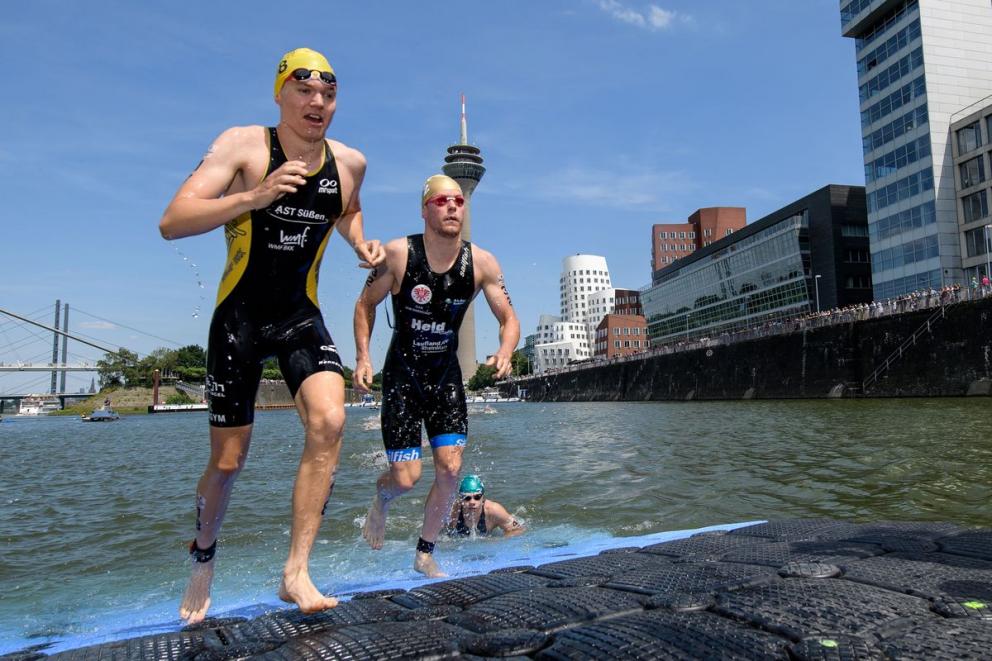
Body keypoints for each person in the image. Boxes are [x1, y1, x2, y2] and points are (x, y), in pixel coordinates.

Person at [158, 47, 385, 624]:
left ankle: (296, 571)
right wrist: (252, 197)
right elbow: (173, 220)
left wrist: (362, 243)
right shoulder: (244, 145)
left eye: (328, 94)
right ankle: (204, 553)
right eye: (304, 91)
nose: (317, 103)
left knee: (330, 420)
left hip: (299, 314)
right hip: (239, 317)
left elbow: (347, 209)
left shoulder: (351, 162)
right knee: (229, 462)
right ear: (280, 93)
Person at [353, 174, 520, 577]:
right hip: (403, 376)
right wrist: (362, 357)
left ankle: (424, 553)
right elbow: (364, 304)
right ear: (425, 209)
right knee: (407, 478)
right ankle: (382, 499)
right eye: (442, 201)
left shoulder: (481, 262)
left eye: (458, 201)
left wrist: (505, 350)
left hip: (445, 376)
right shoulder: (398, 254)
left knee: (449, 469)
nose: (452, 207)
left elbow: (508, 317)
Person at [446, 474, 524, 538]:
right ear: (461, 498)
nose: (472, 502)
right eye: (467, 498)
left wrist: (499, 541)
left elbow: (517, 529)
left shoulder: (494, 510)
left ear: (482, 497)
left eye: (477, 497)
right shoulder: (452, 511)